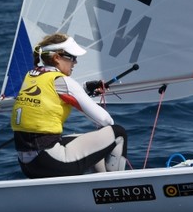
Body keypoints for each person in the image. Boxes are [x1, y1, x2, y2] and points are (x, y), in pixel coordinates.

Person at [11, 33, 128, 178]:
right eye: (72, 57)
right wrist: (84, 94)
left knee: (84, 140)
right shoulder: (63, 81)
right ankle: (115, 185)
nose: (75, 62)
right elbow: (105, 120)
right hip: (50, 162)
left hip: (28, 165)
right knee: (117, 133)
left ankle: (98, 184)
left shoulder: (31, 76)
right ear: (57, 58)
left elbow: (55, 92)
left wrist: (85, 88)